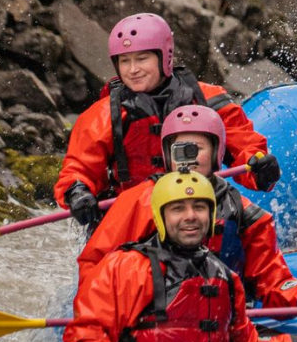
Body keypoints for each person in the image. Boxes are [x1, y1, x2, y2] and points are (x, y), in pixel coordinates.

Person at [61, 170, 297, 342]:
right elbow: (82, 339)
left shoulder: (225, 277)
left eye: (199, 207)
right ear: (160, 216)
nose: (190, 217)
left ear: (211, 217)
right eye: (178, 209)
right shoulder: (124, 267)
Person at [76, 105, 297, 326]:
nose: (186, 160)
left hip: (223, 327)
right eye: (179, 150)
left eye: (195, 150)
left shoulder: (245, 213)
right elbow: (96, 265)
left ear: (216, 153)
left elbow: (273, 279)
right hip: (154, 324)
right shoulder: (137, 201)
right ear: (167, 156)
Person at [54, 12, 281, 228]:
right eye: (124, 61)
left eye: (142, 59)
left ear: (165, 56)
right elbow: (78, 168)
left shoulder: (208, 100)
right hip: (133, 215)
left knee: (254, 223)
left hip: (200, 207)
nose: (133, 70)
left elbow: (245, 147)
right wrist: (78, 192)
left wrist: (259, 167)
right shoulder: (102, 115)